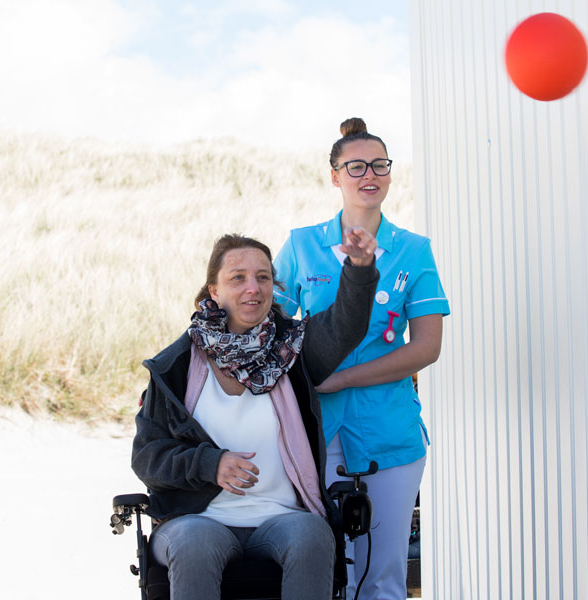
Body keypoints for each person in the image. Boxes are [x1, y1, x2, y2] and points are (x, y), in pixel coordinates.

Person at [131, 231, 380, 600]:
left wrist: (359, 268)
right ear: (213, 291)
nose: (253, 287)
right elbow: (146, 457)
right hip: (196, 520)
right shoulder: (175, 368)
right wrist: (208, 464)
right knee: (195, 542)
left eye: (263, 277)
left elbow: (345, 327)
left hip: (281, 516)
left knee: (313, 534)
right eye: (238, 278)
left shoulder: (293, 350)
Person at [273, 117, 450, 600]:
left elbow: (426, 347)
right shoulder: (301, 245)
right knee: (330, 574)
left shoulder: (414, 252)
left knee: (384, 576)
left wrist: (347, 377)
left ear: (390, 174)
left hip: (389, 436)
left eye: (379, 165)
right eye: (355, 167)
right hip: (314, 433)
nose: (368, 175)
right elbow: (272, 330)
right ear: (335, 176)